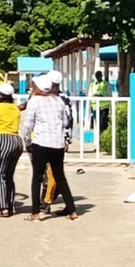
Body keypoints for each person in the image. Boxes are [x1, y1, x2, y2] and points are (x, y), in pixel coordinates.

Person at [21, 75, 78, 222]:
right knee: (60, 177)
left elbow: (28, 124)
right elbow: (65, 122)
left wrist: (27, 141)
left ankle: (35, 213)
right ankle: (72, 211)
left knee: (37, 178)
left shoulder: (34, 101)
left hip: (41, 143)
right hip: (57, 144)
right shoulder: (58, 100)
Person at [40, 70, 75, 215]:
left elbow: (67, 121)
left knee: (50, 173)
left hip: (49, 140)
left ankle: (47, 201)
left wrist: (66, 139)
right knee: (51, 174)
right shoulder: (63, 97)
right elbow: (69, 121)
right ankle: (50, 199)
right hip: (53, 140)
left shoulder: (52, 98)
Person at [0, 82, 23, 217]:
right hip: (17, 141)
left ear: (1, 96)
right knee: (9, 176)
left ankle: (3, 207)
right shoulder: (15, 109)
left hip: (3, 139)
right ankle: (10, 205)